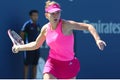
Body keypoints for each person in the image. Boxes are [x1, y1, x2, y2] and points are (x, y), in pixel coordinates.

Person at [12, 1, 106, 79]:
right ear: (46, 15)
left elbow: (88, 26)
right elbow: (36, 44)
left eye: (58, 12)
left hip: (69, 64)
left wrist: (98, 39)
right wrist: (19, 47)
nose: (56, 15)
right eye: (53, 13)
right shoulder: (45, 29)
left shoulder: (66, 25)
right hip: (52, 63)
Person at [20, 10, 41, 79]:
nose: (36, 17)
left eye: (37, 15)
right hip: (28, 48)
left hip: (36, 48)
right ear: (30, 16)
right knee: (26, 65)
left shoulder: (38, 25)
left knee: (35, 64)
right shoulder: (27, 24)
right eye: (34, 15)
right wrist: (22, 44)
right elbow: (22, 34)